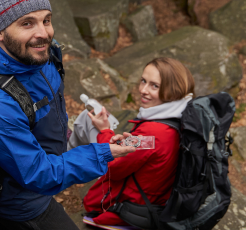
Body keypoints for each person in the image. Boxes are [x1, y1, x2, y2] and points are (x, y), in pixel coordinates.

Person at [0, 0, 135, 230]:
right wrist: (104, 152)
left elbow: (43, 110)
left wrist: (77, 131)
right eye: (27, 23)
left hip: (21, 182)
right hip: (24, 201)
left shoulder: (37, 55)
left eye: (46, 20)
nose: (43, 33)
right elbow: (39, 173)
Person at [82, 57, 195, 226]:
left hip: (129, 210)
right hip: (158, 201)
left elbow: (113, 166)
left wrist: (105, 132)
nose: (143, 89)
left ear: (173, 91)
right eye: (143, 81)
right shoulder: (180, 120)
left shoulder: (152, 134)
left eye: (154, 86)